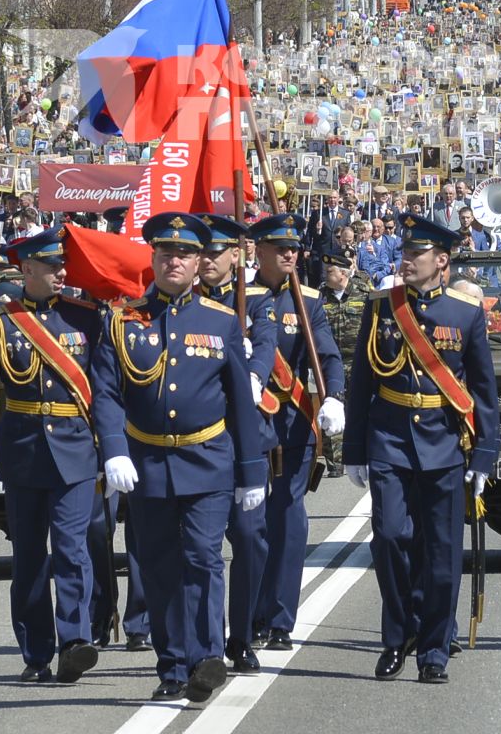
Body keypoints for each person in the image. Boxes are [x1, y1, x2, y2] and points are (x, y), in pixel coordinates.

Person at [97, 213, 266, 705]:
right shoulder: (125, 318)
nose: (175, 261)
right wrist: (113, 450)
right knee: (159, 566)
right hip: (146, 462)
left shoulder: (221, 322)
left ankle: (207, 657)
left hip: (208, 459)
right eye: (167, 253)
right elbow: (107, 392)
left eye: (186, 254)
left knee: (203, 559)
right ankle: (171, 663)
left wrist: (250, 471)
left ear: (199, 264)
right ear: (153, 257)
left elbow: (240, 400)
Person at [0, 229, 123, 683]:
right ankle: (36, 652)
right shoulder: (0, 324)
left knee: (72, 549)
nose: (61, 273)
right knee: (30, 558)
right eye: (51, 266)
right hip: (23, 452)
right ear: (27, 269)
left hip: (74, 450)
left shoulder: (87, 318)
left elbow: (106, 391)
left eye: (62, 265)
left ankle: (74, 640)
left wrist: (112, 450)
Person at [344, 214, 500, 684]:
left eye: (416, 254)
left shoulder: (465, 314)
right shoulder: (381, 308)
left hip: (443, 442)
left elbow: (484, 392)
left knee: (442, 552)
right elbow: (362, 383)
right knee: (390, 536)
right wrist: (354, 449)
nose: (406, 261)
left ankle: (433, 650)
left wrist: (484, 456)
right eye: (405, 253)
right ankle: (399, 636)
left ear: (442, 261)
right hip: (390, 437)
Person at [245, 213, 345, 658]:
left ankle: (281, 618)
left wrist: (335, 397)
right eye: (280, 248)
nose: (290, 254)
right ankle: (248, 612)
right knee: (249, 526)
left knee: (288, 520)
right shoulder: (236, 298)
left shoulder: (308, 302)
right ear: (258, 250)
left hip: (291, 422)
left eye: (295, 248)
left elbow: (327, 357)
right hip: (246, 425)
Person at [202, 214, 276, 675]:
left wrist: (252, 373)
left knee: (250, 541)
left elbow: (266, 343)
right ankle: (207, 641)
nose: (207, 260)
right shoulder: (181, 304)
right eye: (201, 251)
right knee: (201, 549)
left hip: (245, 439)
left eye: (216, 251)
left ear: (237, 254)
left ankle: (242, 634)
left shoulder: (259, 301)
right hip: (200, 440)